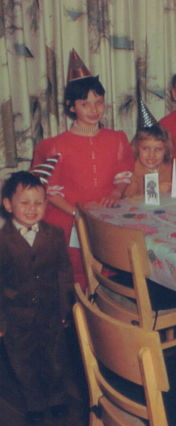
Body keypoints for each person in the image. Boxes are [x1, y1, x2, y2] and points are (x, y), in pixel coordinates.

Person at [31, 49, 134, 286]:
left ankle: (104, 309)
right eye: (85, 103)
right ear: (71, 106)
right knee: (75, 271)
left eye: (98, 102)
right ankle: (76, 313)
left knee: (110, 268)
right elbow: (49, 189)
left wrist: (116, 192)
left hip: (107, 214)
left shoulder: (116, 138)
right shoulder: (56, 145)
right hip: (69, 217)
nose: (94, 109)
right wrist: (78, 214)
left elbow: (123, 173)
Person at [0, 171, 73, 425]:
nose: (32, 209)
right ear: (8, 204)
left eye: (38, 202)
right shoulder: (2, 241)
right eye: (24, 202)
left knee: (55, 359)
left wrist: (66, 307)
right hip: (16, 318)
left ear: (46, 204)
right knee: (23, 364)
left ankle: (56, 398)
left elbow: (64, 272)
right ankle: (34, 403)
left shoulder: (54, 234)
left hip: (51, 312)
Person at [124, 97, 174, 197]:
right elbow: (128, 200)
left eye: (158, 149)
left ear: (166, 150)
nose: (152, 155)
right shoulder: (131, 172)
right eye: (145, 149)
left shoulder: (169, 168)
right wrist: (156, 190)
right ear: (137, 148)